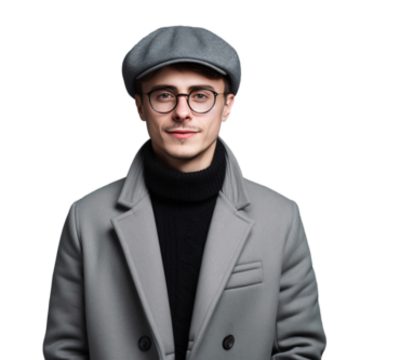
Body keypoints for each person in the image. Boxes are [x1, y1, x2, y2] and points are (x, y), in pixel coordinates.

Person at [42, 25, 328, 359]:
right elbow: (64, 350)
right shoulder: (86, 218)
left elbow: (301, 348)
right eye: (164, 95)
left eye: (201, 95)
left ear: (228, 106)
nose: (182, 111)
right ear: (139, 107)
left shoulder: (280, 217)